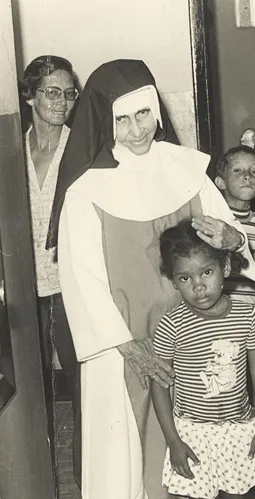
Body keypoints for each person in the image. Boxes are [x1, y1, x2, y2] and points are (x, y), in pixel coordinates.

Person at [54, 59, 255, 499]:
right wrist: (126, 345)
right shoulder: (85, 191)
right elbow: (82, 279)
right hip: (121, 345)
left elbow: (234, 249)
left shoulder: (188, 171)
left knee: (196, 454)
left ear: (157, 112)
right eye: (122, 119)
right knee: (127, 459)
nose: (135, 130)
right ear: (105, 122)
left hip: (194, 335)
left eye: (143, 114)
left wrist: (233, 237)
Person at [151, 220, 255, 499]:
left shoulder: (247, 316)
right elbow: (159, 385)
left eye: (207, 272)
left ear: (225, 268)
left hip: (239, 430)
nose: (198, 286)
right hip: (192, 435)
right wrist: (174, 441)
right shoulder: (171, 325)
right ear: (173, 281)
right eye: (185, 278)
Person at [19, 54, 82, 488]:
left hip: (69, 286)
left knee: (80, 383)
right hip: (26, 292)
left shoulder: (80, 149)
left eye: (68, 93)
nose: (62, 102)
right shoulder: (11, 150)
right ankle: (40, 479)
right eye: (52, 92)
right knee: (31, 389)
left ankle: (84, 478)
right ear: (29, 96)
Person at [213, 140, 255, 336]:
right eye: (237, 171)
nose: (247, 177)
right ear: (221, 182)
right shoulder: (214, 222)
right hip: (214, 314)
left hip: (249, 315)